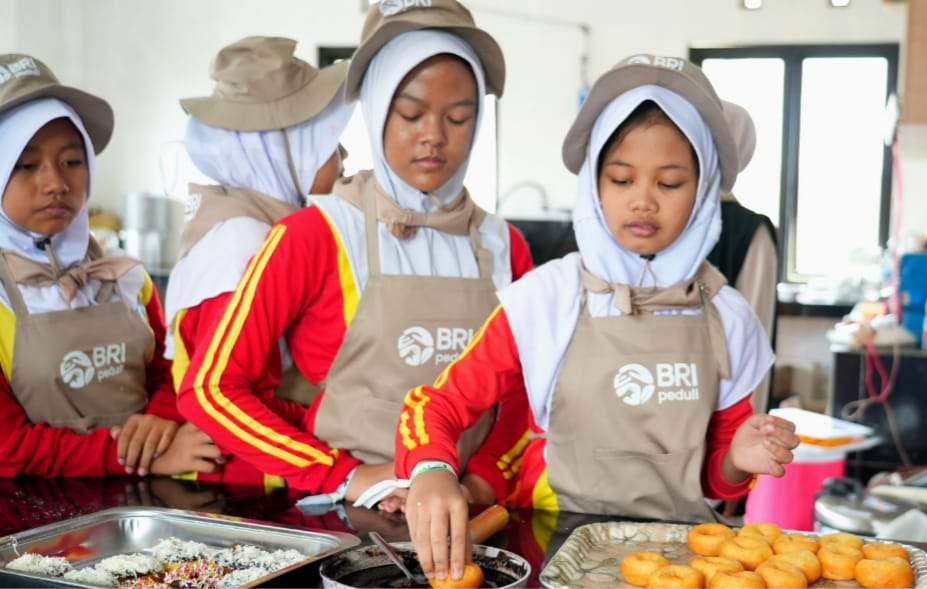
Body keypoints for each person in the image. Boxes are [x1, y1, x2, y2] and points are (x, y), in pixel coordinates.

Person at [395, 54, 800, 582]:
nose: (644, 201)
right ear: (594, 184)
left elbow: (713, 479)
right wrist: (431, 469)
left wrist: (736, 460)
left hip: (678, 559)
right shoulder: (547, 298)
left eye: (671, 183)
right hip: (551, 545)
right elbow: (438, 404)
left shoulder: (727, 315)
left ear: (703, 193)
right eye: (622, 179)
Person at [177, 0, 533, 507]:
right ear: (375, 113)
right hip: (346, 516)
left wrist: (482, 482)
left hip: (469, 511)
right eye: (410, 114)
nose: (433, 135)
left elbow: (526, 394)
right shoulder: (316, 234)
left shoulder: (504, 245)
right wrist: (342, 475)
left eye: (459, 117)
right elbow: (210, 389)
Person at [0, 54, 220, 478]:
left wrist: (161, 417)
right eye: (26, 165)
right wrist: (144, 459)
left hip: (144, 510)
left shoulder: (126, 278)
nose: (55, 184)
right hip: (35, 522)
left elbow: (170, 373)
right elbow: (9, 448)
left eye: (72, 161)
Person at [164, 37, 354, 485]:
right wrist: (339, 415)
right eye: (329, 145)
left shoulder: (239, 219)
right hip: (254, 484)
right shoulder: (243, 243)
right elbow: (233, 395)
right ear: (285, 152)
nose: (344, 159)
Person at [706, 100, 778, 415]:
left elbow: (753, 337)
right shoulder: (656, 220)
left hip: (723, 420)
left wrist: (744, 430)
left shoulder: (749, 231)